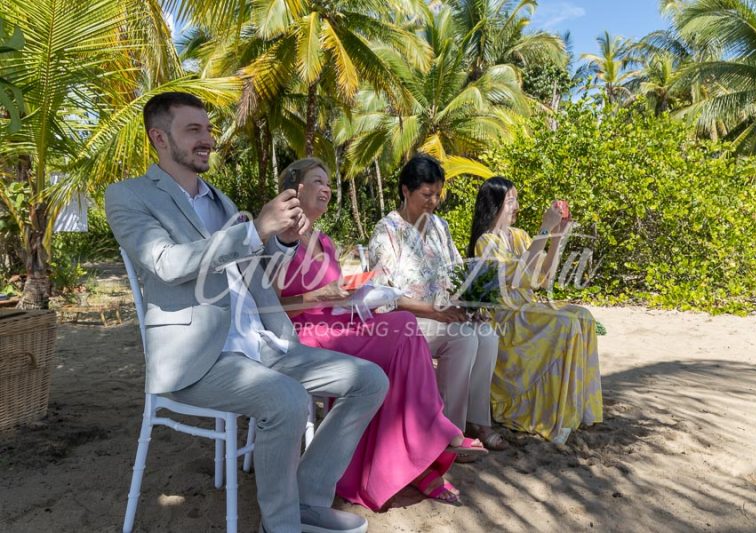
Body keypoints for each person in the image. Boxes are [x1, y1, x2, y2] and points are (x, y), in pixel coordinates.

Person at [105, 92, 389, 533]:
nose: (208, 139)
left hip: (262, 343)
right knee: (289, 400)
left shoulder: (219, 199)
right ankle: (280, 525)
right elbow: (166, 263)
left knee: (369, 380)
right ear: (159, 138)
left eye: (208, 129)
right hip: (198, 359)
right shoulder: (129, 196)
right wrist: (256, 228)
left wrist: (285, 240)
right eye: (193, 130)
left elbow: (255, 266)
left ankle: (309, 502)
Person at [276, 158, 488, 509]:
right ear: (295, 189)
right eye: (317, 181)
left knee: (401, 329)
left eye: (329, 181)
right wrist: (322, 296)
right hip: (306, 332)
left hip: (341, 320)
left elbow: (337, 293)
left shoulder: (324, 241)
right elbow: (267, 306)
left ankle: (424, 448)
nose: (327, 188)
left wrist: (357, 293)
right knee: (403, 330)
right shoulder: (278, 239)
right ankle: (431, 443)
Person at [368, 154, 509, 453]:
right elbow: (383, 297)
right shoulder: (387, 231)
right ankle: (448, 430)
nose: (433, 201)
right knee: (464, 339)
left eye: (437, 194)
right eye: (426, 194)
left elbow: (458, 273)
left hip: (440, 315)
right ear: (406, 191)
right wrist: (435, 311)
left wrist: (472, 307)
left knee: (487, 335)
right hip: (404, 321)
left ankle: (477, 420)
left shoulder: (439, 227)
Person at [467, 176, 603, 443]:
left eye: (516, 199)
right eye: (510, 200)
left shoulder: (519, 236)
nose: (517, 205)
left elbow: (543, 276)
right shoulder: (486, 242)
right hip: (506, 316)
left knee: (584, 317)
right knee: (565, 323)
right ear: (494, 205)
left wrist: (556, 236)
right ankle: (550, 414)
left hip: (527, 309)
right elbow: (517, 275)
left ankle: (577, 411)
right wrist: (544, 228)